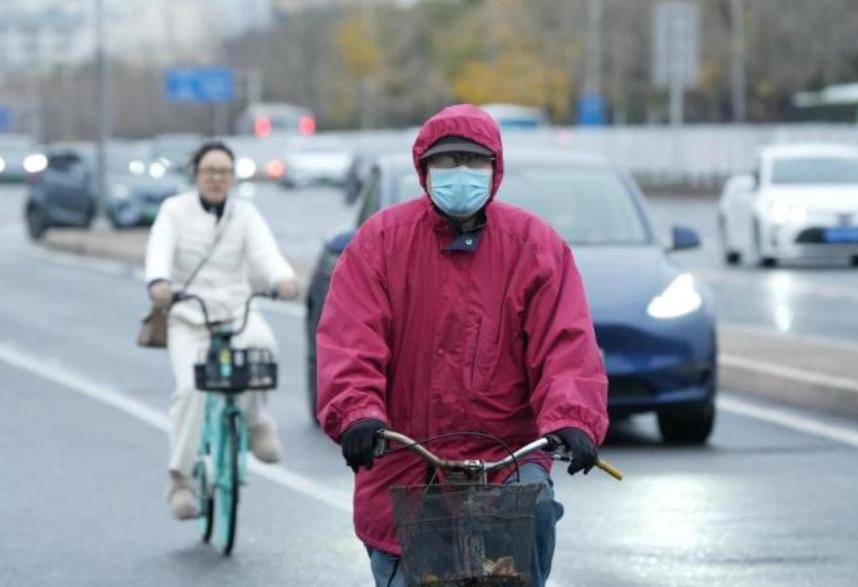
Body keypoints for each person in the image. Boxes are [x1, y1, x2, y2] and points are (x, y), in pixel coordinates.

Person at [316, 104, 609, 587]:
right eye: (447, 161)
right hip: (406, 460)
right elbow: (350, 340)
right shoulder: (379, 243)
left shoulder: (536, 246)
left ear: (495, 169)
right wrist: (357, 413)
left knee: (533, 515)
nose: (460, 172)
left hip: (507, 460)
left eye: (473, 161)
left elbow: (566, 344)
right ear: (424, 169)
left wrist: (573, 418)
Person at [145, 141, 299, 520]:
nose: (217, 178)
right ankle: (180, 479)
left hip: (236, 310)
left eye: (224, 172)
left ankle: (256, 421)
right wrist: (159, 281)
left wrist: (282, 279)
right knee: (191, 389)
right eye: (210, 171)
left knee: (263, 347)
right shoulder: (174, 210)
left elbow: (265, 254)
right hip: (189, 315)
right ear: (196, 175)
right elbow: (159, 250)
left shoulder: (244, 213)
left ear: (233, 176)